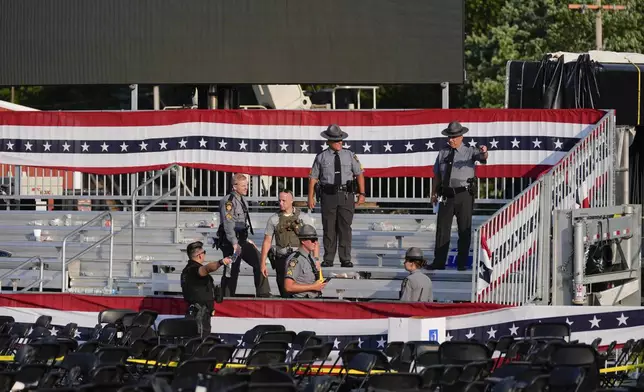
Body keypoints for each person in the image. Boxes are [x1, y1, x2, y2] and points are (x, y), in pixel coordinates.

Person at [426, 121, 488, 271]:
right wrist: (434, 192)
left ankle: (462, 263)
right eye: (449, 137)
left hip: (464, 195)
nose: (451, 140)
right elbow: (437, 174)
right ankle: (439, 262)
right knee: (442, 230)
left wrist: (484, 151)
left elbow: (483, 157)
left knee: (464, 229)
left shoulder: (469, 151)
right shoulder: (443, 152)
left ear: (461, 137)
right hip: (446, 195)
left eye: (453, 137)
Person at [308, 124, 366, 268]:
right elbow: (313, 178)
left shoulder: (350, 155)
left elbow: (359, 174)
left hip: (346, 195)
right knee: (329, 228)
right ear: (328, 141)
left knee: (345, 228)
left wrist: (362, 193)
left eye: (341, 140)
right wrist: (310, 197)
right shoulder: (321, 157)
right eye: (336, 140)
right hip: (328, 196)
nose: (339, 142)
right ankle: (328, 258)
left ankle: (345, 258)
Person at [216, 173, 271, 297]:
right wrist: (234, 243)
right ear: (234, 187)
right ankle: (226, 297)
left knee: (259, 260)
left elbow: (242, 224)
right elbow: (229, 224)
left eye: (247, 185)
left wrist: (246, 240)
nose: (246, 188)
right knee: (231, 269)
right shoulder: (228, 202)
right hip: (232, 242)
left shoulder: (242, 200)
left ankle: (264, 294)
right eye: (243, 186)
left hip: (242, 240)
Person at [259, 189, 319, 297]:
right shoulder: (274, 219)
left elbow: (314, 240)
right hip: (281, 258)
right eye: (279, 200)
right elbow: (267, 241)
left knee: (300, 291)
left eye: (284, 200)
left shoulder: (303, 218)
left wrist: (316, 259)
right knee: (284, 291)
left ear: (292, 200)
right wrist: (263, 263)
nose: (281, 203)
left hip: (300, 260)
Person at [181, 241, 230, 336]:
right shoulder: (193, 269)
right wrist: (221, 262)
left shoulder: (187, 270)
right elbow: (206, 269)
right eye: (204, 252)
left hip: (197, 313)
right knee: (201, 342)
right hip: (199, 315)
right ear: (200, 255)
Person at [284, 224, 328, 298]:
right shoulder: (295, 260)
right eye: (313, 240)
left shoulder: (311, 258)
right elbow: (288, 286)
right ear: (303, 241)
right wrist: (313, 287)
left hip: (313, 300)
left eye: (316, 240)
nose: (315, 243)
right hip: (300, 302)